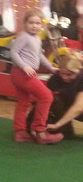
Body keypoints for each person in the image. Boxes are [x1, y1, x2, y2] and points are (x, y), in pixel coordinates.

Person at [10, 8, 62, 144]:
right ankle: (40, 131)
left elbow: (39, 55)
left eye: (38, 23)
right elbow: (14, 52)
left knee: (23, 103)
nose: (34, 26)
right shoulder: (24, 36)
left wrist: (50, 67)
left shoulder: (37, 38)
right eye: (31, 23)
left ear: (42, 25)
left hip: (23, 73)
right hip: (22, 73)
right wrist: (24, 66)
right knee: (46, 97)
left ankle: (20, 132)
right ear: (25, 24)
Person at [46, 49, 83, 138]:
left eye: (69, 74)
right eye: (62, 73)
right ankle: (66, 128)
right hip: (69, 106)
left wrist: (57, 125)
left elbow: (79, 107)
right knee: (52, 99)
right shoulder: (55, 78)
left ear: (78, 71)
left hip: (80, 109)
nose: (65, 77)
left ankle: (62, 126)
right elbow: (43, 101)